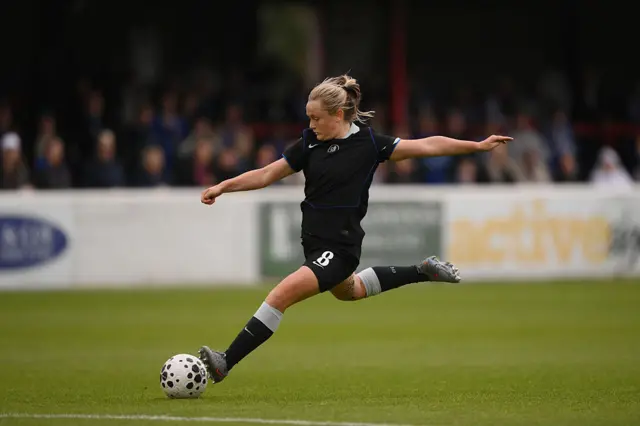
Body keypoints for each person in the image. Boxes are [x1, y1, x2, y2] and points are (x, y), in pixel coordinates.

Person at [198, 75, 513, 383]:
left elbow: (428, 146)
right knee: (351, 291)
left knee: (280, 295)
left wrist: (476, 145)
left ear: (337, 115)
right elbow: (266, 174)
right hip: (314, 244)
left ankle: (226, 361)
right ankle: (423, 270)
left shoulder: (369, 143)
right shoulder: (309, 143)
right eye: (308, 118)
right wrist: (223, 186)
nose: (311, 126)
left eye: (316, 118)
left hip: (340, 248)